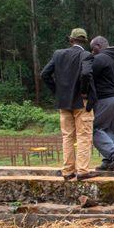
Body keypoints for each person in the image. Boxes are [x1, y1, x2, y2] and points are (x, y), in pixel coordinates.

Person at [41, 28, 96, 180]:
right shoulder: (85, 55)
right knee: (83, 136)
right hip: (81, 102)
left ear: (71, 40)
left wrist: (57, 92)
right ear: (84, 42)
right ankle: (82, 171)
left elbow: (45, 74)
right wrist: (83, 91)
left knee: (67, 136)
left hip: (63, 103)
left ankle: (67, 171)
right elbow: (85, 74)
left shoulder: (58, 55)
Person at [89, 36, 114, 171]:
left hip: (105, 98)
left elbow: (89, 78)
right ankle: (109, 162)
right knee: (112, 130)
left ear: (99, 46)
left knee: (94, 129)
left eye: (93, 48)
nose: (92, 52)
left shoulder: (100, 59)